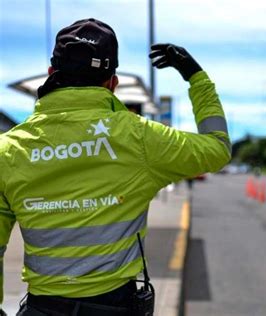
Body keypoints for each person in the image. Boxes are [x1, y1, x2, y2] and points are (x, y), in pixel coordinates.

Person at [0, 18, 230, 315]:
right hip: (115, 307)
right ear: (112, 83)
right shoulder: (140, 138)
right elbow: (218, 148)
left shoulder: (8, 150)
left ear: (50, 74)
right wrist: (196, 78)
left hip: (41, 308)